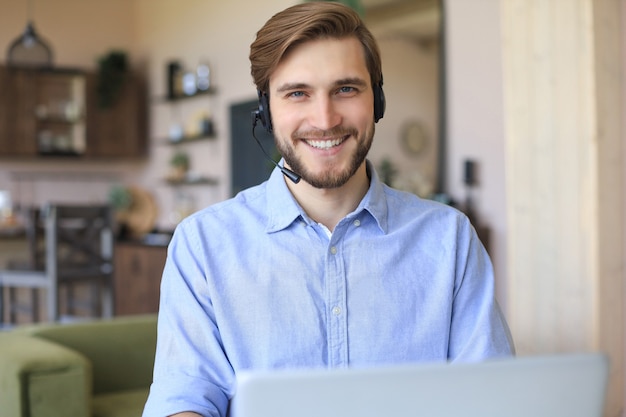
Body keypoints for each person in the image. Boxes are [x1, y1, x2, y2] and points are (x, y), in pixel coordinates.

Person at [142, 2, 514, 416]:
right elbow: (184, 399)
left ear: (378, 100)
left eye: (346, 89)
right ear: (266, 111)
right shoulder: (204, 245)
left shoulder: (450, 239)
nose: (325, 119)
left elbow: (490, 397)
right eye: (298, 93)